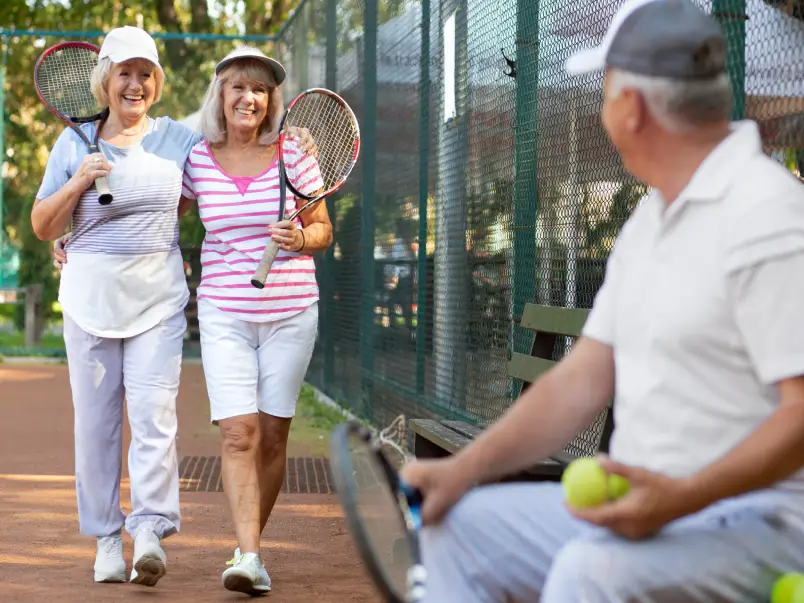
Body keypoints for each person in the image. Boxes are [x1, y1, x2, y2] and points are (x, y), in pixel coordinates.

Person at [400, 0, 804, 601]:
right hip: (644, 504)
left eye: (606, 90)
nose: (602, 107)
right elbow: (582, 379)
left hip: (754, 521)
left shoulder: (766, 215)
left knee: (589, 575)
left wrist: (680, 498)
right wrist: (462, 472)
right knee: (457, 530)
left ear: (632, 107)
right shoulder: (652, 215)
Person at [40, 30, 314, 588]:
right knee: (96, 428)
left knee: (154, 421)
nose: (135, 84)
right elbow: (44, 223)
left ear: (158, 83)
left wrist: (293, 135)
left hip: (158, 301)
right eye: (125, 73)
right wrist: (76, 189)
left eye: (146, 74)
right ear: (107, 80)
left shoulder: (179, 141)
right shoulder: (73, 143)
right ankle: (104, 541)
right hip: (90, 301)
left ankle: (148, 533)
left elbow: (235, 138)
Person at [180, 47, 332, 595]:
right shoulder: (195, 158)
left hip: (291, 311)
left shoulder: (295, 152)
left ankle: (249, 547)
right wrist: (74, 236)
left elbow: (322, 230)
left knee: (272, 434)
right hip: (224, 311)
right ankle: (249, 555)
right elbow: (152, 206)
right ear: (221, 95)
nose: (250, 97)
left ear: (272, 102)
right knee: (239, 433)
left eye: (261, 90)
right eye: (239, 87)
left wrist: (301, 237)